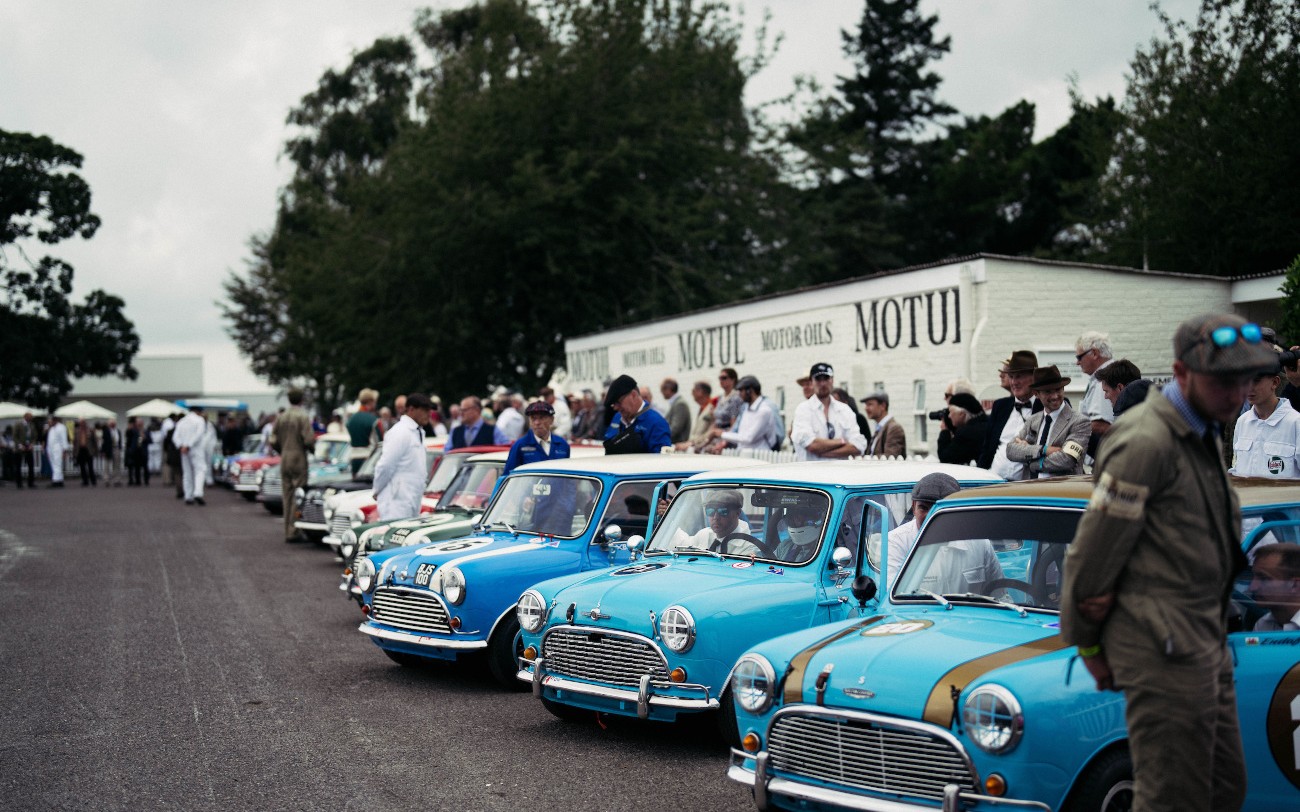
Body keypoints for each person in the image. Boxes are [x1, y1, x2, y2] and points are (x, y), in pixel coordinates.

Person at [1060, 313, 1275, 812]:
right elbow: (1092, 555)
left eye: (1244, 378)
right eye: (1221, 379)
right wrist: (1089, 648)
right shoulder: (1145, 441)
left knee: (1223, 787)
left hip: (1201, 640)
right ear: (1181, 374)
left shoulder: (1202, 428)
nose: (1236, 391)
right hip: (1162, 648)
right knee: (1172, 798)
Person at [1006, 366, 1092, 479]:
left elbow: (1066, 460)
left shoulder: (1079, 422)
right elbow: (1010, 450)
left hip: (1060, 493)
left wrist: (1032, 463)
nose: (1055, 396)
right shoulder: (1032, 420)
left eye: (1058, 390)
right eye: (1048, 392)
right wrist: (1044, 450)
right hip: (1030, 491)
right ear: (1036, 394)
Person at [887, 472, 961, 587]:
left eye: (939, 510)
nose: (930, 516)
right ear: (914, 507)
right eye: (923, 508)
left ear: (954, 510)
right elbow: (893, 593)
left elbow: (997, 590)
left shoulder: (977, 541)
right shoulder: (896, 542)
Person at [1229, 358, 1300, 478]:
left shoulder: (1295, 423)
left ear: (1275, 382)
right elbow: (1237, 469)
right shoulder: (1242, 422)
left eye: (1256, 381)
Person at [978, 350, 1043, 476]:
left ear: (1034, 377)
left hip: (1029, 486)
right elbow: (987, 449)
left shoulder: (1046, 405)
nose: (1014, 382)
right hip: (994, 482)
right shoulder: (1000, 406)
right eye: (1011, 377)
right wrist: (979, 477)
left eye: (1019, 376)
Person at [372, 393, 433, 521]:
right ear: (411, 409)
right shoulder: (400, 432)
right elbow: (386, 465)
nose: (429, 414)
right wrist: (377, 490)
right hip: (396, 501)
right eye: (425, 410)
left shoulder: (417, 432)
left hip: (410, 498)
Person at [791, 363, 867, 461]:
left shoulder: (844, 410)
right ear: (811, 382)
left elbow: (859, 445)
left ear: (832, 380)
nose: (823, 383)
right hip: (812, 474)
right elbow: (812, 445)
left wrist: (824, 453)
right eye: (818, 379)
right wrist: (842, 441)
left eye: (826, 378)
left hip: (840, 474)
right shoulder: (803, 409)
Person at [274, 388, 317, 541]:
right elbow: (308, 439)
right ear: (301, 400)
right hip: (298, 458)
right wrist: (312, 450)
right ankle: (295, 530)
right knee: (298, 495)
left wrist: (282, 449)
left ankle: (287, 530)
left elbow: (273, 440)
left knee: (287, 495)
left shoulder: (281, 417)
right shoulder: (302, 416)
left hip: (284, 457)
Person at [669, 490, 757, 555]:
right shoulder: (705, 534)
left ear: (737, 513)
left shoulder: (748, 548)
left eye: (723, 511)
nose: (715, 517)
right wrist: (668, 518)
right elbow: (683, 544)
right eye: (710, 511)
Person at [603, 374, 672, 454]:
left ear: (633, 395)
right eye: (613, 404)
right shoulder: (617, 418)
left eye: (618, 402)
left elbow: (662, 462)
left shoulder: (657, 424)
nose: (615, 408)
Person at [712, 375, 779, 453]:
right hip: (746, 454)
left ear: (750, 391)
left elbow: (748, 438)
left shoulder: (764, 411)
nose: (739, 394)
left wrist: (722, 434)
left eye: (741, 390)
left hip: (760, 456)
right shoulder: (746, 408)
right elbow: (741, 436)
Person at [503, 401, 571, 477]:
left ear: (551, 420)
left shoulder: (562, 445)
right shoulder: (520, 446)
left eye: (541, 418)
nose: (537, 422)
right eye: (533, 418)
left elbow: (567, 478)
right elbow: (508, 476)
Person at [1075, 331, 1117, 455]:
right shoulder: (1108, 374)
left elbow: (1100, 425)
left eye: (1079, 357)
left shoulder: (1103, 380)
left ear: (1094, 353)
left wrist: (1071, 431)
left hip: (1105, 456)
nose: (1077, 362)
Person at [1248, 543, 1300, 631]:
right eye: (1253, 577)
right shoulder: (1263, 625)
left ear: (1294, 585)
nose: (1252, 587)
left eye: (1264, 579)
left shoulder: (1264, 626)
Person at [936, 392, 989, 466]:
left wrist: (945, 430)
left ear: (962, 414)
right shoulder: (988, 422)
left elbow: (945, 458)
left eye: (951, 412)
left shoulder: (967, 433)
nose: (949, 416)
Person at [172, 405, 210, 505]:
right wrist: (188, 445)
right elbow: (199, 434)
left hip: (184, 450)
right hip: (196, 449)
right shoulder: (199, 420)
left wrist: (181, 446)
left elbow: (175, 437)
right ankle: (198, 492)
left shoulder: (182, 421)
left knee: (187, 473)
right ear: (199, 411)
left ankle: (188, 496)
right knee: (200, 470)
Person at [863, 391, 906, 457]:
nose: (866, 408)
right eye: (866, 405)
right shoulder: (880, 427)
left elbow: (891, 457)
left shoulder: (894, 428)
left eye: (870, 404)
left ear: (883, 406)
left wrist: (866, 459)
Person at [346, 388, 379, 473]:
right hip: (368, 460)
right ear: (371, 402)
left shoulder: (351, 420)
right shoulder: (374, 420)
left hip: (353, 458)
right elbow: (379, 443)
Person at [677, 381, 714, 452]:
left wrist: (691, 443)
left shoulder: (712, 409)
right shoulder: (702, 408)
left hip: (702, 449)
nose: (692, 394)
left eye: (693, 391)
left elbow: (709, 432)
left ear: (701, 392)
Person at [660, 378, 692, 445]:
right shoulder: (676, 403)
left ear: (668, 389)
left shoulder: (680, 404)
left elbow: (675, 429)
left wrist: (659, 437)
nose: (661, 392)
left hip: (678, 447)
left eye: (662, 389)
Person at [13, 411, 38, 488]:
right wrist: (20, 445)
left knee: (31, 465)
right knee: (18, 466)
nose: (30, 419)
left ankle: (30, 483)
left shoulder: (32, 425)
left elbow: (35, 436)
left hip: (28, 446)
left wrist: (32, 444)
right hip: (20, 447)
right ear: (25, 417)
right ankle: (19, 483)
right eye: (29, 417)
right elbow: (15, 436)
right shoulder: (18, 424)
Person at [45, 416, 68, 487]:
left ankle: (55, 480)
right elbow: (49, 440)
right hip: (51, 449)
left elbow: (64, 439)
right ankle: (59, 479)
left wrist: (64, 450)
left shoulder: (61, 427)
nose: (49, 423)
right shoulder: (51, 428)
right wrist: (48, 451)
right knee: (54, 465)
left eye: (50, 421)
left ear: (54, 421)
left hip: (58, 449)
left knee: (57, 465)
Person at [102, 419, 124, 487]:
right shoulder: (106, 431)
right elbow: (104, 442)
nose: (112, 424)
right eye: (111, 423)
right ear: (109, 424)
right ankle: (106, 480)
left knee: (117, 465)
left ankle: (117, 480)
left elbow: (120, 439)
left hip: (116, 448)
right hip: (108, 449)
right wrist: (103, 451)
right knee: (107, 465)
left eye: (114, 423)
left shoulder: (118, 431)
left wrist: (120, 447)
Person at [74, 419, 97, 487]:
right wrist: (75, 453)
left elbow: (94, 441)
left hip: (88, 450)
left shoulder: (90, 430)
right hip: (81, 450)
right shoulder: (77, 431)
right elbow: (75, 442)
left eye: (83, 423)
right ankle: (85, 481)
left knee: (90, 466)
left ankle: (93, 480)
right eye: (81, 423)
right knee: (82, 467)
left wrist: (95, 451)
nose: (82, 424)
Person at [125, 417, 147, 486]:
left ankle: (138, 480)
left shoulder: (140, 430)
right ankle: (131, 479)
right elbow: (128, 435)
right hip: (131, 450)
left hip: (138, 450)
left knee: (137, 466)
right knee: (130, 465)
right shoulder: (132, 430)